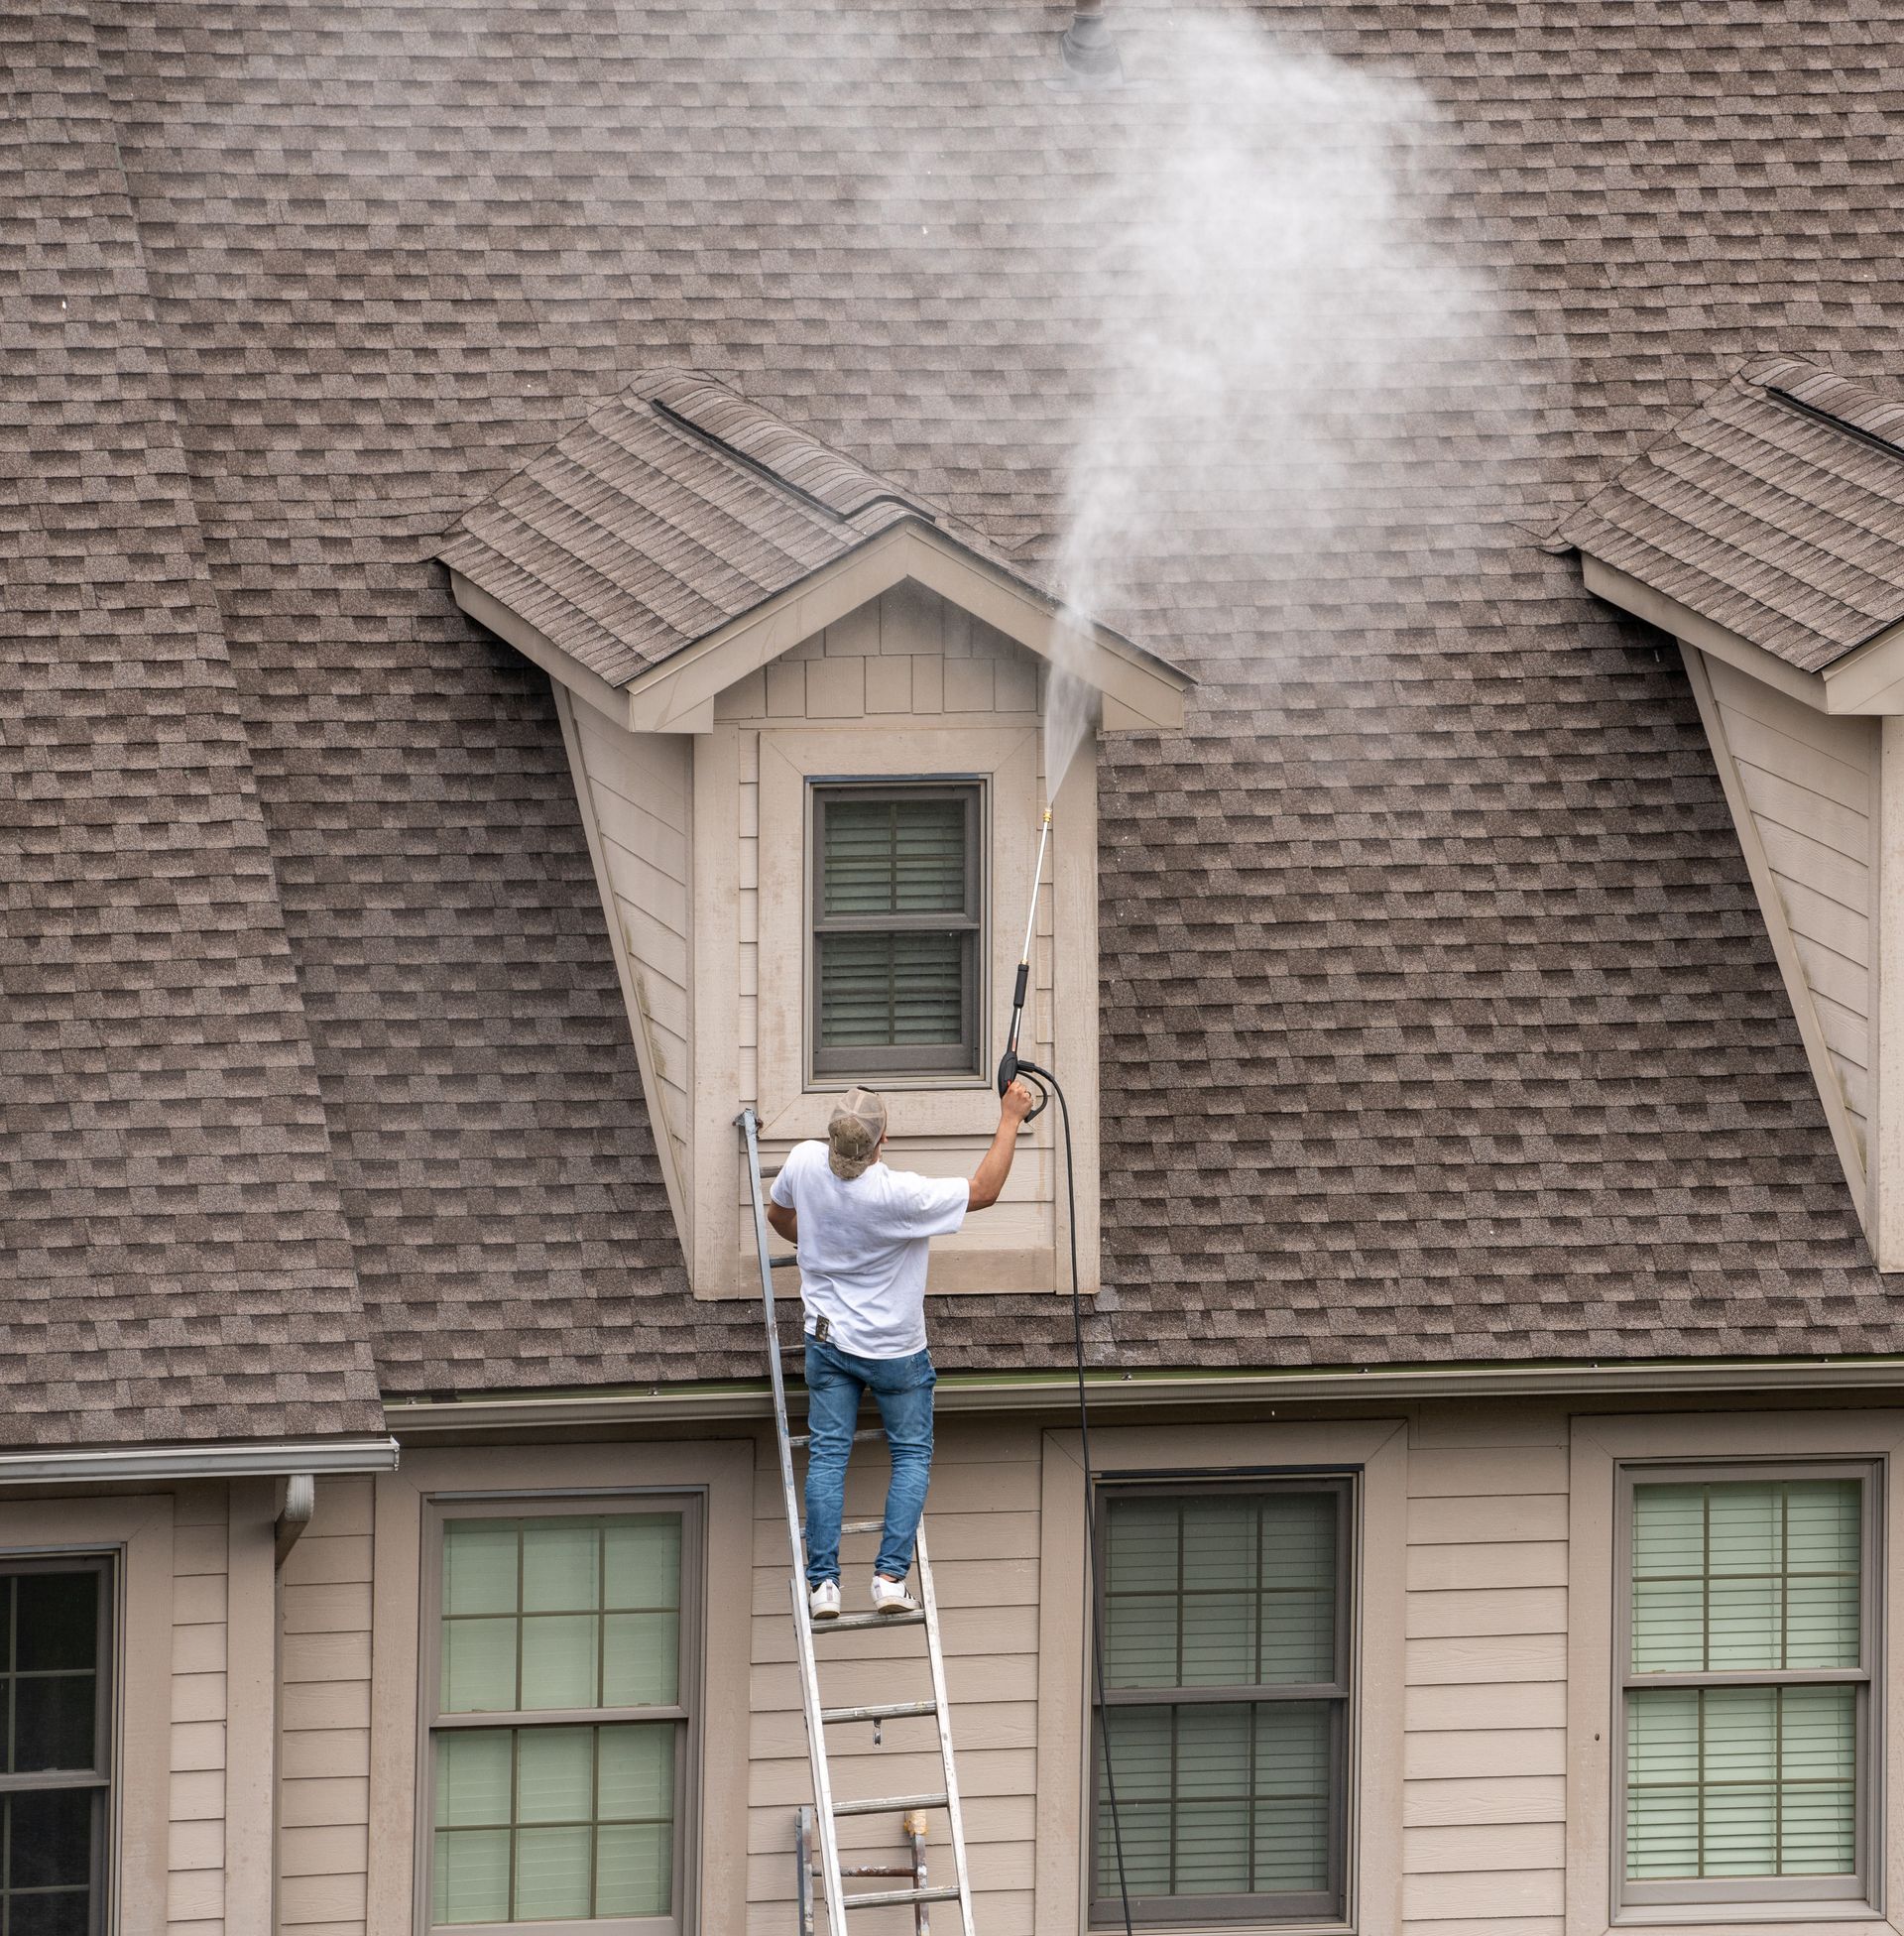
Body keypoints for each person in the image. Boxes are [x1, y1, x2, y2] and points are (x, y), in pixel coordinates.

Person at [769, 1079, 1036, 1619]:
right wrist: (1010, 1116)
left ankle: (824, 1587)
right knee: (910, 1455)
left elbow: (777, 1218)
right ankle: (889, 1579)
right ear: (880, 1142)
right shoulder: (899, 1194)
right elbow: (983, 1190)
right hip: (894, 1352)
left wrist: (822, 1240)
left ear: (831, 1138)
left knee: (828, 1458)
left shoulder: (801, 1161)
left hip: (826, 1341)